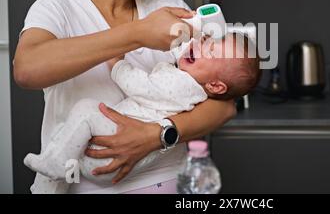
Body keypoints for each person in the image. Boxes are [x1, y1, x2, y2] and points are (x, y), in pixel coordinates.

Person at [13, 0, 237, 194]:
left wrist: (158, 134)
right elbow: (27, 69)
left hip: (163, 179)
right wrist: (138, 33)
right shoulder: (56, 8)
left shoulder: (172, 8)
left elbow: (223, 106)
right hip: (81, 185)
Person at [23, 34, 261, 193]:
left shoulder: (181, 84)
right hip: (108, 160)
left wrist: (116, 64)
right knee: (65, 138)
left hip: (112, 154)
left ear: (216, 87)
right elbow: (180, 54)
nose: (197, 44)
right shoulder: (193, 85)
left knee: (85, 110)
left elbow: (140, 86)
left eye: (211, 52)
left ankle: (51, 175)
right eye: (205, 42)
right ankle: (50, 175)